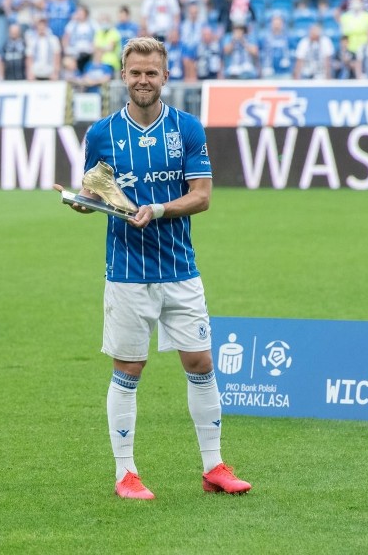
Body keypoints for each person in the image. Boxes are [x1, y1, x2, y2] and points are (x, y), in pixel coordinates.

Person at [56, 36, 252, 501]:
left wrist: (159, 209)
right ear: (123, 76)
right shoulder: (101, 134)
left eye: (152, 72)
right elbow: (96, 191)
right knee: (129, 367)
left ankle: (214, 466)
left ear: (165, 76)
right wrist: (83, 204)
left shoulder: (186, 127)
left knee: (201, 362)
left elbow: (202, 196)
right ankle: (126, 474)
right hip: (126, 272)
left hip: (181, 269)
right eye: (135, 72)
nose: (143, 80)